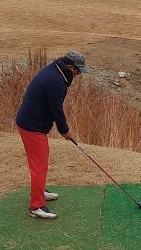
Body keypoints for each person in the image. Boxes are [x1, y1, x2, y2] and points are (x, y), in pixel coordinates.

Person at [15, 50, 90, 219]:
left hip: (32, 122)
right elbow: (56, 109)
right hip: (32, 126)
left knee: (41, 162)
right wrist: (65, 130)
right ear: (71, 67)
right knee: (39, 165)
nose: (79, 74)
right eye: (78, 71)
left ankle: (39, 191)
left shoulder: (55, 70)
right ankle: (36, 206)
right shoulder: (56, 81)